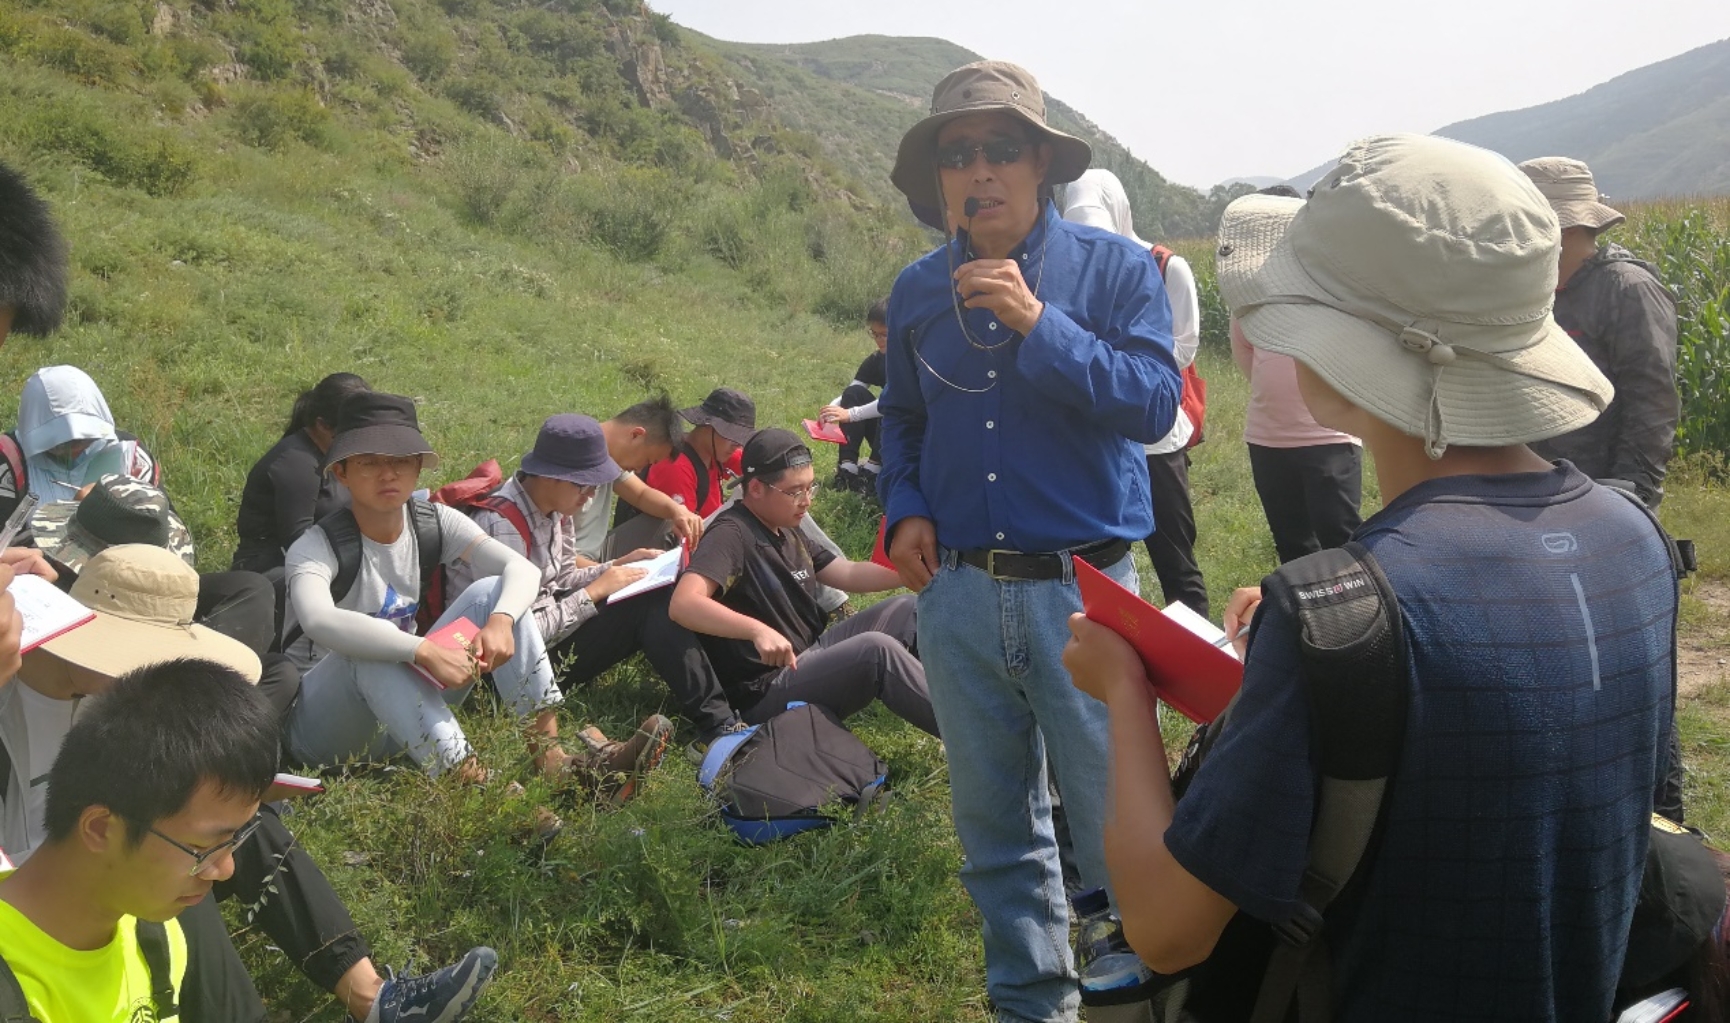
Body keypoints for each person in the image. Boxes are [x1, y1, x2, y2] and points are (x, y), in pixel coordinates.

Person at [1066, 133, 1674, 1021]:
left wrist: (1122, 691)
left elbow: (1165, 929)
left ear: (1343, 352)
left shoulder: (1333, 612)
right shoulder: (1635, 540)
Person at [878, 60, 1181, 1022]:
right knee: (995, 832)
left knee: (1116, 820)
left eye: (1001, 148)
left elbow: (1155, 403)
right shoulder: (917, 290)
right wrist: (904, 504)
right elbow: (902, 416)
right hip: (959, 594)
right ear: (938, 178)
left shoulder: (1117, 270)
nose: (979, 170)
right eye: (957, 154)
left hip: (1083, 594)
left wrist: (1038, 323)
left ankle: (1142, 1001)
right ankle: (1029, 1003)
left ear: (1041, 163)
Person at [0, 543, 496, 1022]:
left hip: (117, 864)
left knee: (219, 838)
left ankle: (372, 997)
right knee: (181, 861)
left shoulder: (115, 706)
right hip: (43, 888)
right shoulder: (11, 697)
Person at [281, 391, 586, 789]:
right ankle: (478, 787)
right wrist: (422, 649)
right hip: (323, 731)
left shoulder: (433, 521)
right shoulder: (314, 547)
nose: (388, 474)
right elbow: (319, 621)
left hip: (403, 712)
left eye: (401, 461)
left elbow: (521, 569)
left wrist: (501, 620)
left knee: (494, 591)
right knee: (369, 649)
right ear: (342, 472)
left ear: (418, 468)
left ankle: (550, 759)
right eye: (369, 462)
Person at [0, 657, 278, 1022]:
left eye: (235, 839)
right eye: (200, 848)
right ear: (100, 828)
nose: (225, 869)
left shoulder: (157, 939)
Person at [669, 429, 937, 741]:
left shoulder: (785, 525)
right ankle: (976, 734)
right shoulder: (730, 533)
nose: (806, 501)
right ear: (755, 488)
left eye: (810, 488)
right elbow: (683, 603)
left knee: (907, 609)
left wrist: (914, 571)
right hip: (766, 690)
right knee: (876, 651)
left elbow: (848, 573)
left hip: (809, 654)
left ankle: (960, 697)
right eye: (795, 492)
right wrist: (756, 631)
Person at [1061, 168, 1208, 616]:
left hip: (1154, 440)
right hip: (1095, 437)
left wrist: (1113, 361)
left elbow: (1184, 347)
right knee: (1096, 561)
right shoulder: (1068, 271)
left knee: (1175, 560)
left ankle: (1195, 648)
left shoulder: (1166, 267)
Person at [1519, 157, 1680, 508]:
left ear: (1567, 228)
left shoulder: (1627, 289)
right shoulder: (1531, 292)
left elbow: (1651, 400)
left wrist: (1632, 490)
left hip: (1603, 490)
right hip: (1533, 487)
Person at [1234, 185, 1365, 564]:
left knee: (1341, 543)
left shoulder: (1332, 278)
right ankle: (1302, 606)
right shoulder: (1248, 286)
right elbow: (1245, 350)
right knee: (1292, 548)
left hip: (1329, 435)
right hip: (1268, 438)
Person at [232, 372, 372, 574]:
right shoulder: (297, 465)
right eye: (353, 431)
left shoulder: (337, 453)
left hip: (326, 556)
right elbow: (298, 543)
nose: (362, 439)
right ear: (322, 425)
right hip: (273, 570)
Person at [0, 365, 160, 527]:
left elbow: (161, 527)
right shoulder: (8, 462)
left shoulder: (131, 457)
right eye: (60, 443)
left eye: (83, 439)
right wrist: (73, 517)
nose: (72, 450)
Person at [564, 395, 703, 563]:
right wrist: (609, 570)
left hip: (596, 555)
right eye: (647, 460)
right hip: (565, 566)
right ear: (636, 435)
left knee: (668, 519)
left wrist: (678, 511)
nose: (639, 470)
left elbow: (641, 494)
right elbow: (550, 552)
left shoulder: (610, 456)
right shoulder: (571, 456)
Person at [818, 299, 889, 496]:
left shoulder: (910, 361)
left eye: (884, 334)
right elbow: (853, 390)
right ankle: (847, 468)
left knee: (891, 409)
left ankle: (873, 471)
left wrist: (850, 414)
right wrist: (832, 409)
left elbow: (893, 401)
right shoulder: (877, 359)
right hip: (882, 430)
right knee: (854, 393)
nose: (878, 340)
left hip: (907, 435)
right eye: (874, 334)